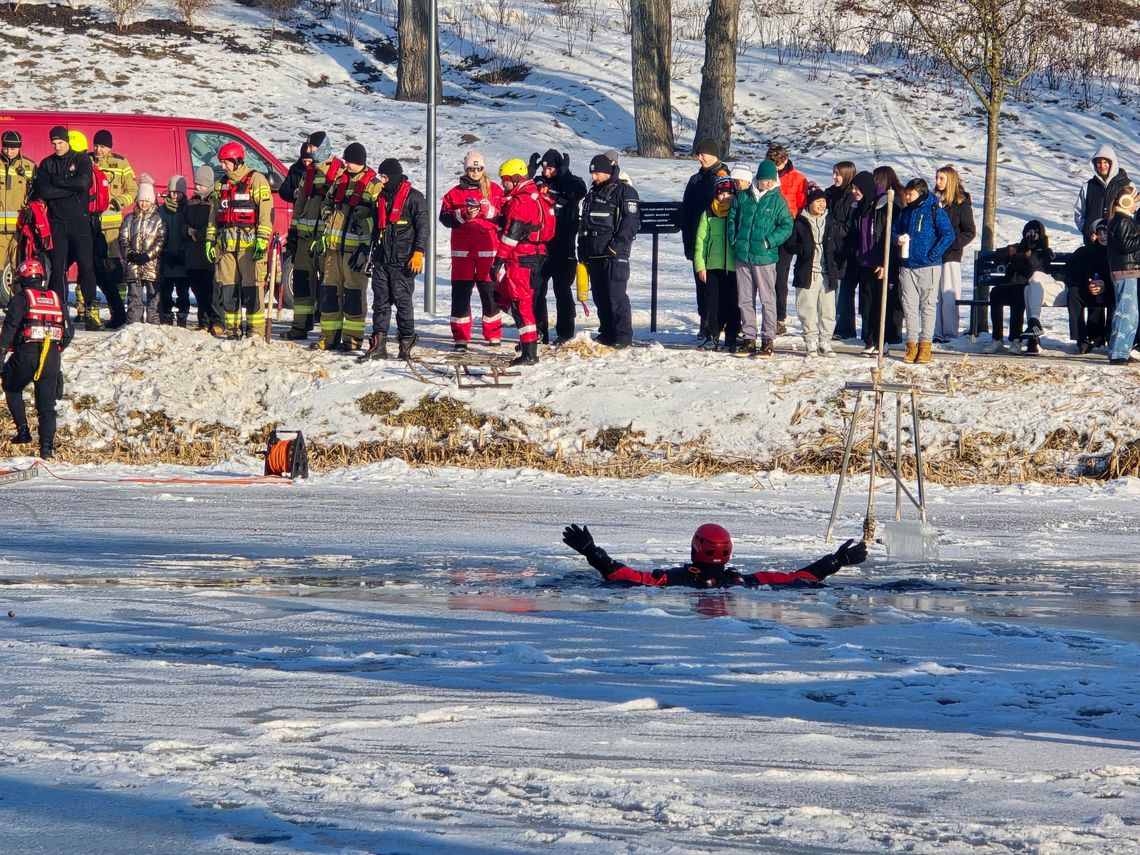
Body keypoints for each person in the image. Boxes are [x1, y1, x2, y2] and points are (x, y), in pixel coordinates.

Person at [562, 522, 868, 588]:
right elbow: (798, 577)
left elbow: (625, 575)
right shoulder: (743, 580)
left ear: (697, 547)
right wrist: (837, 560)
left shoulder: (674, 578)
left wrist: (591, 552)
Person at [312, 142, 382, 352]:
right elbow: (326, 202)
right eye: (345, 160)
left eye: (350, 161)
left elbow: (379, 218)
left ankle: (352, 339)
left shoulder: (373, 185)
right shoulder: (340, 181)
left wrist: (365, 242)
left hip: (355, 251)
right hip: (333, 249)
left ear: (360, 162)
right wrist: (326, 215)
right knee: (330, 295)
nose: (346, 164)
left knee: (353, 296)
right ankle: (328, 337)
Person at [0, 259, 72, 460]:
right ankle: (47, 449)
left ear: (22, 279)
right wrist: (56, 349)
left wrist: (2, 354)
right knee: (46, 405)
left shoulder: (22, 299)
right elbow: (68, 333)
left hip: (27, 353)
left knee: (11, 386)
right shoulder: (56, 299)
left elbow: (9, 330)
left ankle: (23, 431)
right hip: (50, 356)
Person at [32, 127, 103, 329]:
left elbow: (82, 183)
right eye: (54, 143)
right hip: (57, 222)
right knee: (58, 268)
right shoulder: (47, 163)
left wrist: (58, 183)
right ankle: (59, 310)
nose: (57, 147)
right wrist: (66, 188)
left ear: (67, 142)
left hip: (79, 222)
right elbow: (42, 190)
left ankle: (90, 309)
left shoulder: (80, 160)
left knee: (86, 266)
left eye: (60, 143)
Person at [205, 141, 274, 339]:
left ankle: (256, 333)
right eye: (222, 162)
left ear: (237, 160)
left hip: (250, 248)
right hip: (225, 248)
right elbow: (213, 216)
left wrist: (262, 240)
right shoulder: (221, 185)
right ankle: (233, 331)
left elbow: (265, 214)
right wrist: (210, 240)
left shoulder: (257, 181)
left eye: (226, 162)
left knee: (253, 291)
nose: (223, 166)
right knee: (228, 291)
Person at [362, 158, 429, 361]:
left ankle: (406, 342)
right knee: (381, 303)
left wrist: (419, 252)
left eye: (384, 177)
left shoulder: (414, 198)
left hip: (404, 261)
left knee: (403, 302)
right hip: (382, 258)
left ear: (393, 177)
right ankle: (379, 344)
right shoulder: (380, 198)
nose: (381, 181)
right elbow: (376, 228)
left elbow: (423, 227)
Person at [439, 151, 504, 351]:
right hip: (462, 254)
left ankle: (493, 333)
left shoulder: (495, 190)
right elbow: (445, 219)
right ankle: (460, 336)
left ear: (483, 169)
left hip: (487, 251)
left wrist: (488, 212)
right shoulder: (454, 193)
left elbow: (505, 218)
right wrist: (463, 214)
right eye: (471, 168)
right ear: (465, 169)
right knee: (460, 295)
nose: (475, 172)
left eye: (479, 168)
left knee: (490, 294)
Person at [728, 159, 793, 357]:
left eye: (772, 180)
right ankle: (749, 338)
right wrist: (734, 240)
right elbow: (732, 218)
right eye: (766, 180)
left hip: (765, 257)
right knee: (745, 299)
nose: (769, 184)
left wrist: (769, 241)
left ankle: (767, 339)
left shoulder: (778, 200)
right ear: (759, 178)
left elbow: (787, 226)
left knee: (767, 299)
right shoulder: (743, 196)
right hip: (743, 255)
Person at [579, 154, 640, 349]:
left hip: (614, 254)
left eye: (597, 173)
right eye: (592, 173)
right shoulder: (591, 194)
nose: (594, 177)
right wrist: (582, 250)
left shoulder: (625, 192)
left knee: (616, 295)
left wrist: (617, 246)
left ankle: (622, 335)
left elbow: (630, 223)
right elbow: (584, 224)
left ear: (607, 172)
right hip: (594, 253)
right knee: (600, 295)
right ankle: (606, 332)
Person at [282, 134, 340, 341]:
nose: (310, 151)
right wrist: (294, 232)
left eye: (313, 147)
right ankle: (300, 326)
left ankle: (329, 333)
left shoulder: (339, 172)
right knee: (302, 283)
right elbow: (300, 205)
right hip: (306, 238)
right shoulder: (308, 173)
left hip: (326, 240)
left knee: (328, 286)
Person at [893, 177, 955, 364]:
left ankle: (926, 345)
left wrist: (933, 253)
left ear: (919, 193)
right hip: (907, 265)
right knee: (909, 305)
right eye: (906, 194)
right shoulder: (905, 212)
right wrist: (897, 239)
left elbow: (948, 235)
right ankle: (911, 344)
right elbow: (894, 230)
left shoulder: (934, 210)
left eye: (910, 194)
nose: (907, 197)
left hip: (928, 265)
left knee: (927, 305)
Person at [490, 157, 546, 366]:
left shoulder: (520, 201)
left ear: (514, 178)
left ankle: (529, 352)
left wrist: (497, 262)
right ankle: (528, 340)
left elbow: (510, 237)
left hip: (520, 258)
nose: (503, 184)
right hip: (532, 255)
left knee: (520, 303)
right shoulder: (534, 196)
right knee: (502, 296)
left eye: (505, 179)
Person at [533, 149, 587, 344]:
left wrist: (564, 174)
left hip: (563, 246)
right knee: (537, 290)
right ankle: (539, 332)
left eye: (551, 169)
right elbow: (520, 193)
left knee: (562, 290)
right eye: (544, 169)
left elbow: (579, 192)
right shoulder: (539, 183)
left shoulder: (571, 182)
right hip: (541, 247)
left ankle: (565, 332)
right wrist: (530, 173)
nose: (546, 173)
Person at [681, 138, 729, 340]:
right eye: (698, 155)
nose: (699, 158)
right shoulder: (695, 180)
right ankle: (705, 323)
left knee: (720, 287)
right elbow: (686, 212)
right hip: (698, 240)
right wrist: (688, 243)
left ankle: (721, 323)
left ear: (714, 154)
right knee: (702, 285)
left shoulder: (726, 178)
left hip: (719, 243)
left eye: (702, 154)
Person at [984, 220, 1053, 354]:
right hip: (1008, 283)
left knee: (1018, 296)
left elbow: (1038, 268)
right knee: (995, 293)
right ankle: (997, 338)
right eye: (1029, 231)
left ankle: (1016, 339)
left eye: (1035, 232)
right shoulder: (1018, 246)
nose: (1031, 235)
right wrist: (1008, 252)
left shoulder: (1044, 250)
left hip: (1027, 287)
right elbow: (998, 256)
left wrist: (1029, 256)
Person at [853, 168, 902, 357]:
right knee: (866, 304)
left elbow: (887, 235)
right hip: (865, 261)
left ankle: (884, 340)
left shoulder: (885, 204)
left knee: (882, 303)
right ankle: (869, 340)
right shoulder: (860, 207)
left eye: (857, 189)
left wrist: (884, 261)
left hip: (881, 262)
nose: (855, 192)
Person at [787, 186, 837, 359]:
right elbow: (789, 243)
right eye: (818, 201)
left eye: (823, 201)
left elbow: (838, 241)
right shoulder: (800, 220)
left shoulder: (830, 220)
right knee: (806, 307)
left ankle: (825, 341)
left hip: (827, 271)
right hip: (807, 271)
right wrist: (802, 248)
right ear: (810, 203)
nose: (822, 205)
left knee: (828, 309)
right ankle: (810, 340)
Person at [91, 129, 138, 313]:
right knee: (88, 267)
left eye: (102, 146)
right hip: (90, 225)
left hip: (112, 228)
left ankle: (118, 306)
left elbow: (133, 191)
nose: (98, 150)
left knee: (114, 268)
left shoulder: (121, 163)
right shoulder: (86, 161)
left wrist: (119, 202)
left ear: (109, 148)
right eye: (96, 146)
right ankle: (85, 309)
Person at [692, 172, 738, 351]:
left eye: (728, 193)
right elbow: (701, 241)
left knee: (733, 303)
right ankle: (712, 335)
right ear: (716, 194)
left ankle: (732, 336)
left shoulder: (737, 211)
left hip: (734, 266)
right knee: (713, 304)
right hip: (713, 266)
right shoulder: (708, 213)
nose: (725, 197)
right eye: (721, 193)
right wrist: (700, 265)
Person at [767, 144, 807, 336]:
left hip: (787, 229)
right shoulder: (764, 175)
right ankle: (767, 314)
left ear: (785, 160)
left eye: (778, 164)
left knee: (780, 274)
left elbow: (801, 205)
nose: (775, 168)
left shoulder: (798, 179)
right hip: (767, 229)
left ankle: (779, 318)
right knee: (763, 275)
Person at [932, 165, 976, 343]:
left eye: (941, 178)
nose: (937, 182)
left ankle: (949, 334)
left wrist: (952, 245)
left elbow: (969, 231)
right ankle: (935, 332)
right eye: (936, 178)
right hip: (934, 255)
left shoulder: (961, 204)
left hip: (951, 256)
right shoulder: (934, 202)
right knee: (934, 296)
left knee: (949, 295)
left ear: (949, 180)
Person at [119, 176, 167, 325]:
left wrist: (148, 255)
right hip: (133, 265)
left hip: (152, 265)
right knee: (134, 296)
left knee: (154, 297)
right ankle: (134, 324)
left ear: (152, 200)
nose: (144, 203)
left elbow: (162, 240)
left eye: (147, 200)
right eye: (141, 200)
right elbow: (122, 238)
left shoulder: (159, 219)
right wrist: (130, 254)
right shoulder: (129, 219)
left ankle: (154, 324)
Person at [1065, 219, 1113, 353]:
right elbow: (1072, 273)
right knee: (1074, 293)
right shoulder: (1086, 251)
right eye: (1100, 233)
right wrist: (1088, 283)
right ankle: (1081, 338)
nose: (1103, 236)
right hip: (1089, 287)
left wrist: (1105, 284)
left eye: (1106, 233)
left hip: (1111, 289)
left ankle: (1110, 335)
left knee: (1117, 294)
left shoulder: (1116, 251)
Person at [1104, 182, 1140, 366]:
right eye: (1134, 201)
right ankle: (1118, 351)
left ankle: (1124, 350)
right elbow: (1128, 245)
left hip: (1130, 271)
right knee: (1126, 312)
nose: (1136, 206)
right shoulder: (1122, 221)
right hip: (1125, 271)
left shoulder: (1123, 220)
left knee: (1132, 314)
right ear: (1126, 201)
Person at [0, 130, 35, 309]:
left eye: (13, 148)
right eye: (6, 147)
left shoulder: (29, 167)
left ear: (19, 148)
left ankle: (16, 306)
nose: (9, 152)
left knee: (17, 269)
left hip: (19, 229)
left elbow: (35, 194)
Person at [184, 165, 221, 334]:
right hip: (193, 254)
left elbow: (215, 224)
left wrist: (198, 234)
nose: (197, 186)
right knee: (198, 290)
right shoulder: (191, 202)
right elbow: (182, 222)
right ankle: (203, 322)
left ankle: (216, 321)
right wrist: (186, 230)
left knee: (211, 290)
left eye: (200, 184)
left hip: (208, 253)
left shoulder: (214, 201)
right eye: (196, 183)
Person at [826, 161, 859, 341]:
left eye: (837, 174)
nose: (834, 177)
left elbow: (851, 226)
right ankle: (833, 324)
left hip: (845, 251)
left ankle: (844, 327)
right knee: (832, 290)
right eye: (833, 173)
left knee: (843, 292)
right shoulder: (831, 193)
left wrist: (835, 230)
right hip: (831, 249)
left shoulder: (851, 197)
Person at [1074, 144, 1129, 244]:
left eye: (1105, 162)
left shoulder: (1127, 186)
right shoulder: (1088, 187)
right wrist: (1087, 231)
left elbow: (1134, 215)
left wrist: (1124, 234)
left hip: (1118, 246)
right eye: (1099, 162)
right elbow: (1079, 214)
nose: (1102, 166)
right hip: (1093, 244)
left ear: (1112, 163)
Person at [157, 175, 190, 326]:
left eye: (178, 192)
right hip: (166, 257)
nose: (175, 195)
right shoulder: (161, 211)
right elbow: (157, 233)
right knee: (165, 290)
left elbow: (189, 233)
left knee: (183, 291)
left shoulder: (188, 210)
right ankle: (167, 314)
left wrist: (183, 252)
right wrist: (164, 252)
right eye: (172, 192)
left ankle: (183, 314)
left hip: (183, 258)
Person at [278, 131, 328, 206]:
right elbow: (283, 190)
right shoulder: (295, 169)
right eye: (304, 161)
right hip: (299, 207)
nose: (307, 164)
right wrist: (293, 193)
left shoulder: (319, 169)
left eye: (309, 161)